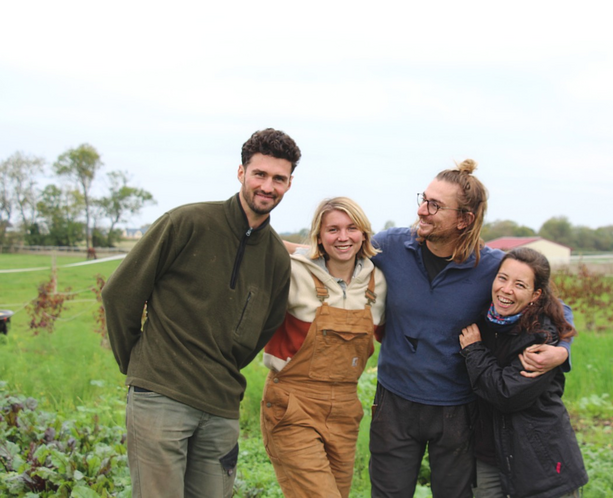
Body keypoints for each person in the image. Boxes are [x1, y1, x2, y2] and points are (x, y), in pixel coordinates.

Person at [102, 128, 301, 498]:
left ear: (290, 184)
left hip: (221, 407)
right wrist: (139, 364)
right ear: (241, 173)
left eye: (279, 178)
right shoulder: (186, 223)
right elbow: (119, 295)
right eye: (260, 174)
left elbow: (264, 329)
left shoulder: (275, 257)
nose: (268, 186)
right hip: (160, 396)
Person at [368, 159, 572, 498]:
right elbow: (332, 254)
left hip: (459, 409)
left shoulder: (491, 267)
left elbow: (553, 307)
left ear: (465, 220)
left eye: (435, 205)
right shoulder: (391, 246)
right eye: (423, 198)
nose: (422, 210)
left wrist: (562, 349)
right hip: (395, 402)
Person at [260, 197, 387, 497]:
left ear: (364, 234)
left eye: (351, 228)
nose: (343, 237)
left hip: (344, 411)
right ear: (319, 235)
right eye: (333, 229)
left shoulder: (378, 282)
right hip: (293, 406)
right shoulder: (293, 272)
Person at [459, 247, 588, 498]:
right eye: (502, 278)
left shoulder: (542, 337)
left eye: (520, 284)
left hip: (539, 462)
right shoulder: (481, 318)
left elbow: (507, 394)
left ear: (535, 295)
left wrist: (474, 351)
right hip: (488, 456)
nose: (506, 290)